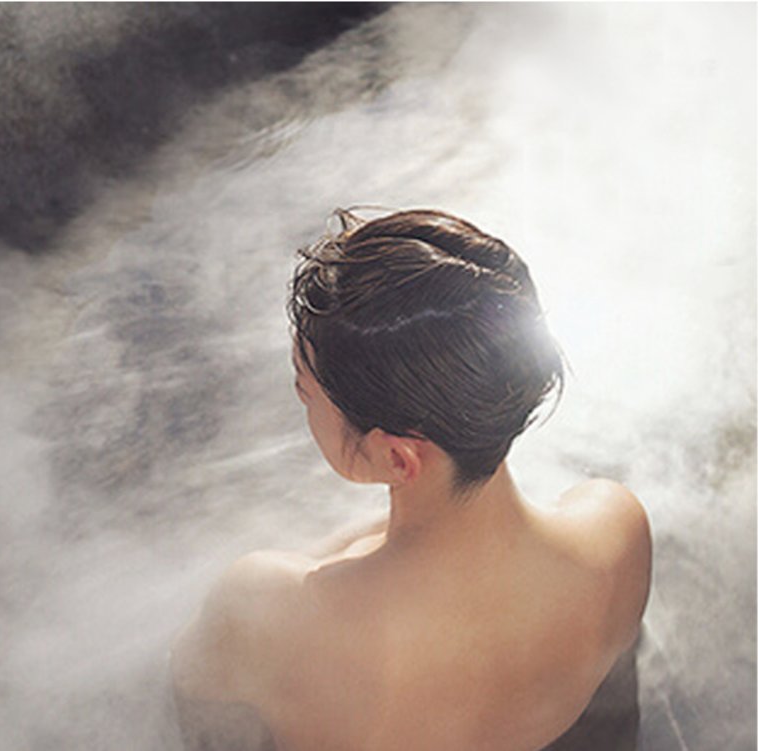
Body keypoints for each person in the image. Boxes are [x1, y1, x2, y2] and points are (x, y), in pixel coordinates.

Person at [170, 209, 651, 751]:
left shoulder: (267, 612)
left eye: (305, 392)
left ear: (398, 459)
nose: (302, 402)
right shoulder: (615, 532)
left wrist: (344, 550)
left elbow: (195, 709)